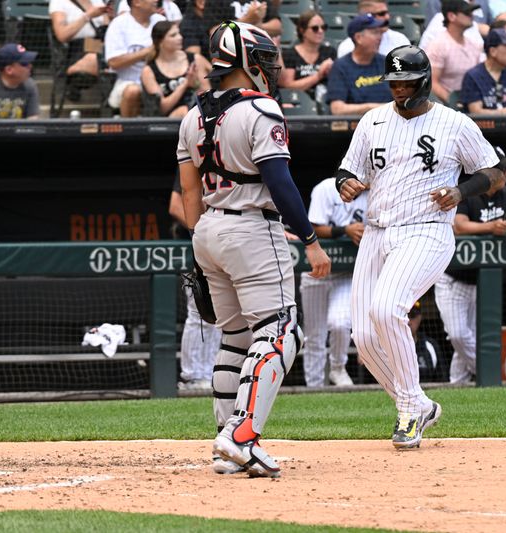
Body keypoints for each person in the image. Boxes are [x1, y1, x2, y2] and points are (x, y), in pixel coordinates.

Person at [176, 21, 331, 477]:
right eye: (262, 61)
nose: (269, 69)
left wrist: (200, 243)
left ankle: (227, 442)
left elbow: (188, 192)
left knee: (237, 338)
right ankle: (241, 436)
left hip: (207, 229)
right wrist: (311, 241)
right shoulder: (261, 109)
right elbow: (279, 181)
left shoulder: (192, 115)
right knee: (282, 332)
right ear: (245, 64)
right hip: (251, 227)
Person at [335, 45, 504, 449]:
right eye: (393, 82)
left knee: (386, 308)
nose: (398, 88)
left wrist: (461, 191)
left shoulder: (454, 122)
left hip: (426, 230)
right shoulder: (372, 121)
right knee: (363, 335)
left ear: (424, 80)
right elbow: (347, 170)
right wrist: (346, 184)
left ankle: (410, 410)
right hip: (377, 232)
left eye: (406, 81)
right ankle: (417, 403)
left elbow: (495, 173)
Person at [434, 147, 506, 384]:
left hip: (481, 281)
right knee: (458, 335)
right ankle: (492, 374)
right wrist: (491, 227)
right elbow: (460, 226)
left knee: (469, 337)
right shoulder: (468, 191)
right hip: (454, 277)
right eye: (501, 170)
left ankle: (457, 384)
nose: (505, 175)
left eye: (504, 170)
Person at [299, 177, 368, 388]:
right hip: (316, 271)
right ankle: (314, 387)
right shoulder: (326, 188)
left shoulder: (376, 193)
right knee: (314, 336)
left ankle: (338, 367)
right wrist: (344, 230)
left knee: (340, 322)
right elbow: (312, 227)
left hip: (345, 272)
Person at [168, 172, 221, 390]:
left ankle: (209, 374)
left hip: (219, 243)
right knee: (198, 310)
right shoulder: (192, 158)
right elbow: (175, 206)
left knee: (220, 313)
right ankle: (191, 375)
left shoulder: (228, 156)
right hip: (194, 245)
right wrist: (203, 231)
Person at [104, 0, 166, 116]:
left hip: (160, 80)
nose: (156, 1)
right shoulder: (119, 24)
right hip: (128, 81)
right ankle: (128, 132)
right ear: (136, 2)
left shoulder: (160, 21)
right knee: (133, 91)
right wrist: (147, 51)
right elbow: (113, 62)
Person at [326, 13, 392, 116]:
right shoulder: (341, 67)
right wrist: (373, 108)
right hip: (357, 126)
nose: (380, 38)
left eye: (380, 33)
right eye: (375, 33)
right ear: (358, 38)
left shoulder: (386, 62)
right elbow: (337, 109)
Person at [141, 21, 209, 118]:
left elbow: (209, 95)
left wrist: (196, 84)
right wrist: (185, 84)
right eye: (173, 35)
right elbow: (162, 108)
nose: (180, 37)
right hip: (166, 120)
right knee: (184, 111)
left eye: (179, 33)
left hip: (197, 112)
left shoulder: (194, 60)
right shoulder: (149, 71)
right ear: (160, 42)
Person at [424, 0, 483, 104]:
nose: (471, 16)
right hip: (446, 108)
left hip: (473, 103)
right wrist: (452, 102)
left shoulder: (473, 45)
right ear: (451, 16)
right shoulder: (438, 45)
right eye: (466, 13)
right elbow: (432, 82)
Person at [278, 10, 336, 102]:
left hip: (325, 102)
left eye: (323, 27)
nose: (320, 31)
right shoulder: (290, 54)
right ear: (302, 31)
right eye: (315, 28)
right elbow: (288, 86)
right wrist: (318, 76)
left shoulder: (330, 52)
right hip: (298, 102)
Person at [49, 0, 112, 83]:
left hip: (98, 45)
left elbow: (107, 31)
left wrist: (111, 19)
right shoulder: (59, 2)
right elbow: (62, 35)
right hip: (74, 50)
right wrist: (87, 16)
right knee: (96, 58)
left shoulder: (98, 1)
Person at [336, 0, 410, 58]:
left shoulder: (400, 40)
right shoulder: (347, 47)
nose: (387, 17)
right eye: (381, 14)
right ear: (365, 17)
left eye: (387, 13)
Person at [408, 301, 445, 382]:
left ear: (419, 317)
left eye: (412, 316)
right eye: (403, 316)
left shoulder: (430, 346)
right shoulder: (385, 344)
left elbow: (442, 381)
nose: (408, 321)